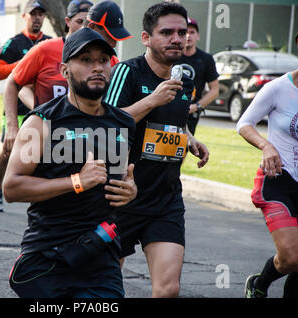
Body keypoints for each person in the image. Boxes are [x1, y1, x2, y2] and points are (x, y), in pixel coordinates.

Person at [4, 28, 136, 298]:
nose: (97, 67)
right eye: (86, 60)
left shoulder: (123, 123)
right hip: (49, 254)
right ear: (64, 70)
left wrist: (130, 191)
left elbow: (119, 183)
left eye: (102, 60)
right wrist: (77, 181)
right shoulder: (40, 122)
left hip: (101, 253)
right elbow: (11, 188)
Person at [103, 2, 209, 297]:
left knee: (168, 290)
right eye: (167, 32)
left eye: (182, 32)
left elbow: (173, 119)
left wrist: (188, 138)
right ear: (146, 38)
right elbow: (106, 124)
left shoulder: (182, 78)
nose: (178, 38)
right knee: (105, 287)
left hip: (165, 200)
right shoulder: (127, 72)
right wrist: (151, 100)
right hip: (120, 197)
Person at [239, 35, 298, 298]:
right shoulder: (278, 88)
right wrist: (266, 146)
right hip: (279, 179)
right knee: (292, 257)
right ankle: (259, 284)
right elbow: (244, 123)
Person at [0, 0, 52, 212]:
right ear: (24, 16)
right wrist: (27, 62)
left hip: (41, 107)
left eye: (41, 14)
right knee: (8, 151)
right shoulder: (14, 43)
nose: (37, 18)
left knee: (41, 155)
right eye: (33, 13)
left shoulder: (50, 43)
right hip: (17, 107)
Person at [174, 17, 219, 135]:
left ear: (198, 36)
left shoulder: (206, 59)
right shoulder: (172, 55)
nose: (188, 36)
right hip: (171, 108)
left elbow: (215, 90)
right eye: (185, 32)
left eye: (192, 32)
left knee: (184, 149)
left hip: (191, 113)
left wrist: (197, 106)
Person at [83, 0, 132, 64]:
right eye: (109, 36)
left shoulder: (113, 60)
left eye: (116, 38)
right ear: (92, 27)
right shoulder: (71, 55)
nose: (113, 45)